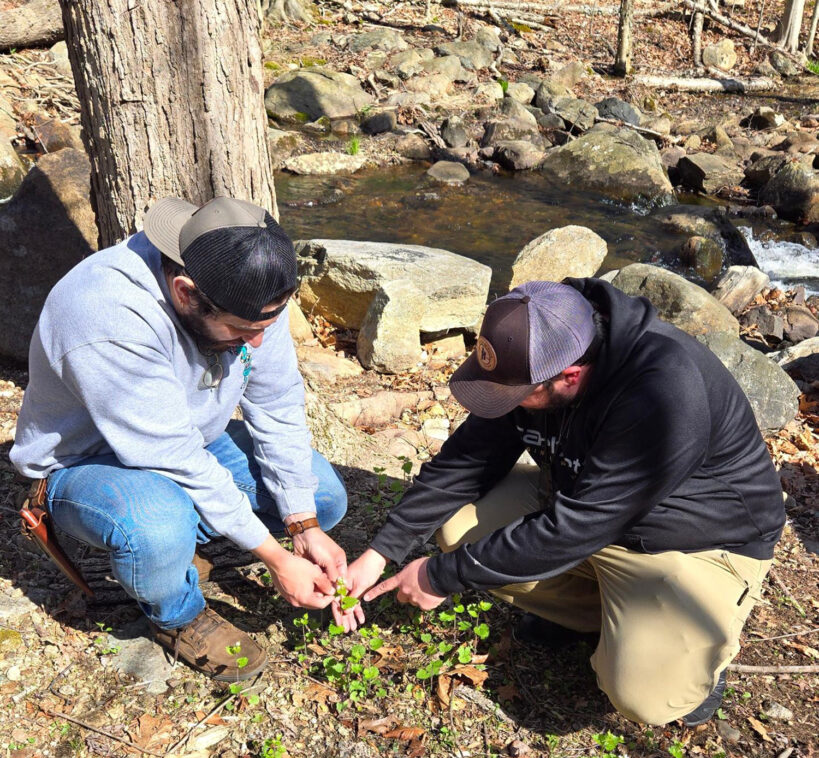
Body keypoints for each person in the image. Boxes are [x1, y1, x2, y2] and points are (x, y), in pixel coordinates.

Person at [337, 279, 786, 727]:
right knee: (456, 528)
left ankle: (698, 655)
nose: (505, 404)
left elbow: (574, 528)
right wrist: (381, 552)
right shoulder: (538, 348)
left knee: (644, 697)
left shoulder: (664, 390)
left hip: (693, 544)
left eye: (514, 396)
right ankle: (596, 616)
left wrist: (439, 576)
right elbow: (468, 462)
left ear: (570, 376)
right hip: (586, 503)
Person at [11, 196, 349, 681]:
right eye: (242, 331)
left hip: (188, 438)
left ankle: (174, 549)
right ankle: (175, 612)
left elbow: (275, 405)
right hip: (86, 460)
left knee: (321, 496)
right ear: (185, 293)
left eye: (265, 328)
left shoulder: (247, 287)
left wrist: (302, 526)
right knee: (157, 524)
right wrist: (275, 558)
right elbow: (172, 458)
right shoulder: (106, 314)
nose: (256, 342)